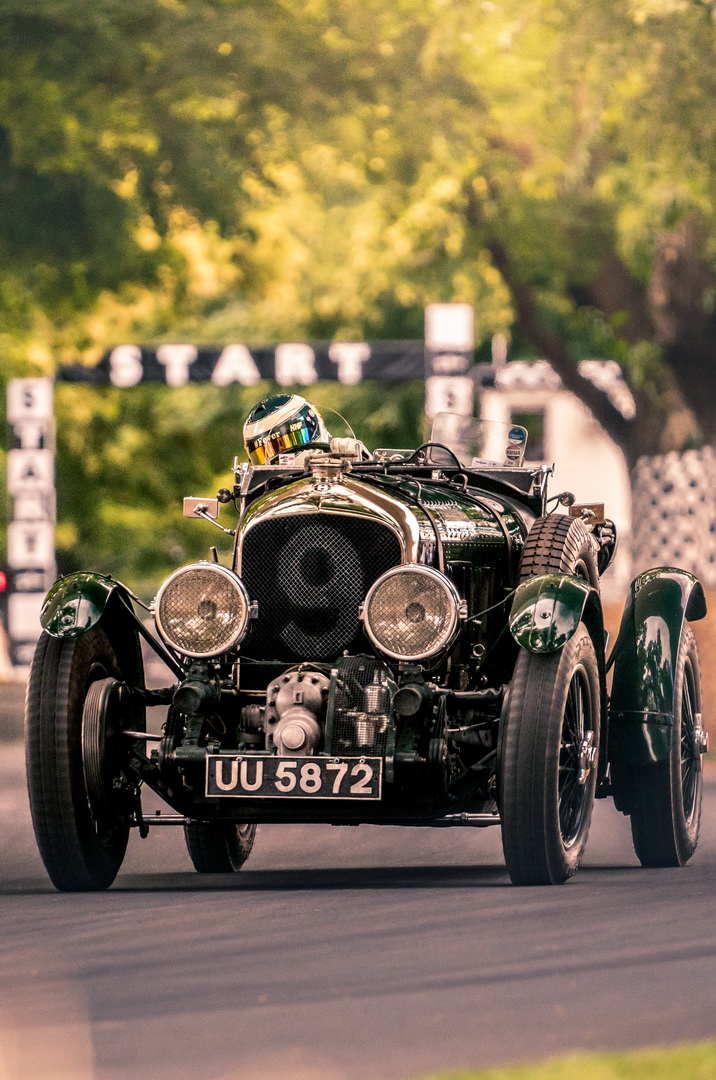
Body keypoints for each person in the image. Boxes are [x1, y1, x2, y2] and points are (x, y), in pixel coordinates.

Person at [243, 394, 370, 465]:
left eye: (288, 441)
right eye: (264, 452)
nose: (281, 455)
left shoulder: (348, 456)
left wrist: (362, 466)